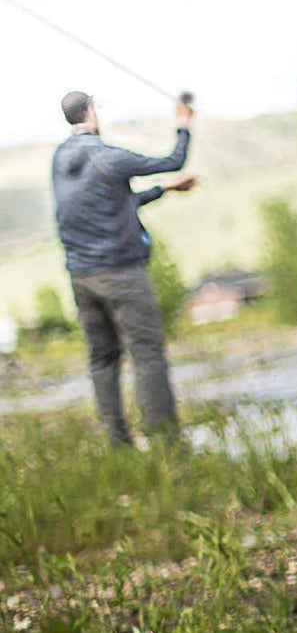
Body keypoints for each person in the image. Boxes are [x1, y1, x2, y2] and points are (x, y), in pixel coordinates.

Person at [51, 91, 198, 444]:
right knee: (147, 354)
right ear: (91, 113)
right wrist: (183, 124)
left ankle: (119, 443)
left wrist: (163, 191)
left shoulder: (60, 159)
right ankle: (167, 442)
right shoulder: (108, 157)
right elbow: (174, 160)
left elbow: (119, 203)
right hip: (121, 273)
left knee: (102, 359)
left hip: (81, 276)